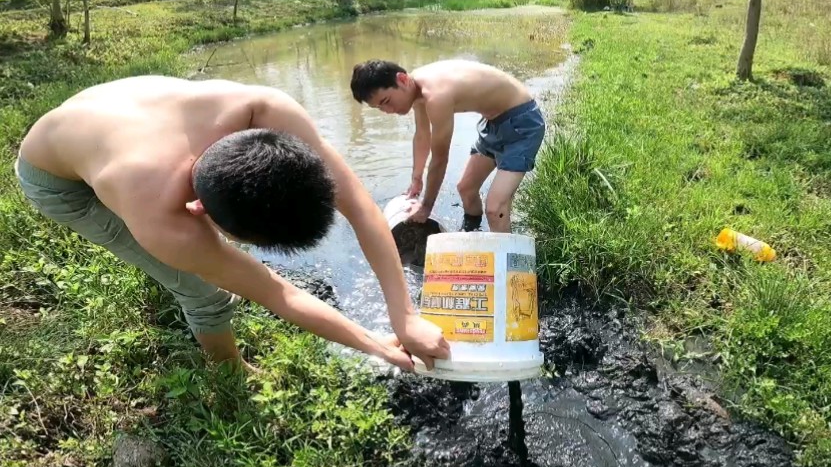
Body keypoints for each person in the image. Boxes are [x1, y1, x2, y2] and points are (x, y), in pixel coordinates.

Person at [14, 75, 450, 373]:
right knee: (199, 287)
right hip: (54, 173)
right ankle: (230, 373)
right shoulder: (160, 217)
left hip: (111, 112)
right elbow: (277, 292)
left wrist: (404, 316)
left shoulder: (266, 107)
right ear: (200, 210)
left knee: (177, 258)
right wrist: (377, 347)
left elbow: (357, 205)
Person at [349, 59, 545, 233]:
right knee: (466, 188)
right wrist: (416, 179)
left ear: (401, 79)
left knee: (495, 208)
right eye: (380, 108)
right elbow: (422, 136)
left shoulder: (436, 96)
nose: (388, 111)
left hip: (522, 123)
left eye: (386, 101)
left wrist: (426, 207)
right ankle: (471, 234)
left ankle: (509, 269)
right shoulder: (415, 88)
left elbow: (440, 158)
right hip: (493, 124)